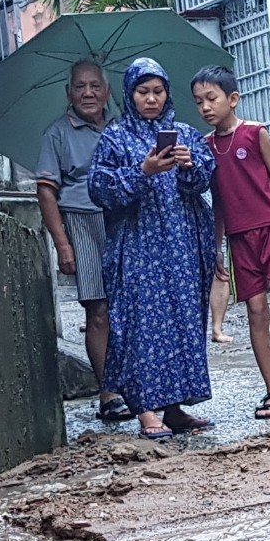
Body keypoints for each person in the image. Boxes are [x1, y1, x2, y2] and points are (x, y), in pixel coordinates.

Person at [86, 57, 218, 440]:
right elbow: (99, 189)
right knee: (141, 325)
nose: (151, 99)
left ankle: (175, 408)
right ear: (129, 95)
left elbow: (203, 183)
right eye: (143, 92)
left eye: (158, 92)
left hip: (180, 248)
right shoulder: (114, 138)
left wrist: (190, 166)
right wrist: (143, 171)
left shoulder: (185, 134)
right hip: (138, 248)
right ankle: (146, 410)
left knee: (181, 322)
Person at [190, 66, 270, 419]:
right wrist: (216, 247)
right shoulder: (205, 148)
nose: (205, 108)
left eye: (212, 99)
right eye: (198, 102)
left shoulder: (255, 133)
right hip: (238, 239)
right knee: (256, 311)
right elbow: (216, 202)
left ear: (232, 99)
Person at [35, 60, 131, 422]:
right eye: (80, 87)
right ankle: (108, 392)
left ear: (107, 92)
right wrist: (63, 244)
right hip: (82, 222)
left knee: (134, 308)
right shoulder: (57, 134)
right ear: (69, 94)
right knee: (99, 310)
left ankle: (140, 386)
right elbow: (46, 191)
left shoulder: (124, 128)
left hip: (123, 220)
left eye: (95, 86)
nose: (88, 93)